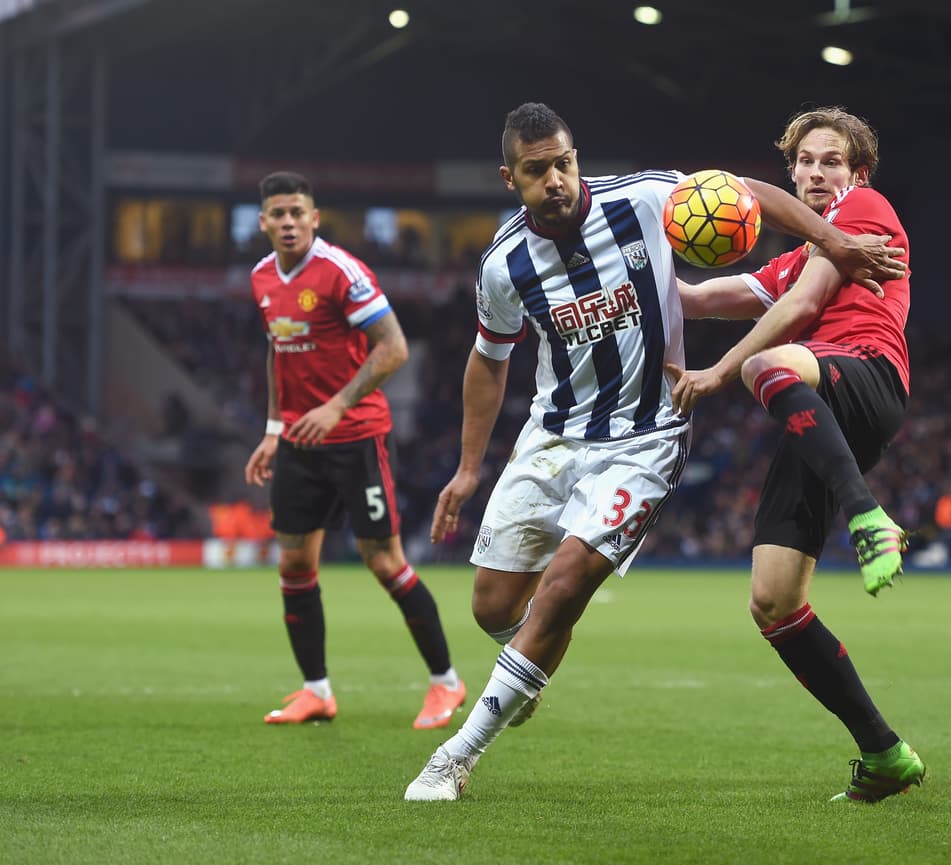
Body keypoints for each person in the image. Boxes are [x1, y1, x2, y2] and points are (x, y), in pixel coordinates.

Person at [403, 102, 905, 801]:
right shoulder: (504, 263)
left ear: (577, 156)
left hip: (646, 436)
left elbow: (745, 192)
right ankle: (527, 661)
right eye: (536, 170)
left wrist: (835, 242)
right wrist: (466, 468)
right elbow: (488, 359)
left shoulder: (639, 198)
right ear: (509, 177)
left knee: (563, 588)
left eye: (564, 162)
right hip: (552, 435)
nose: (556, 179)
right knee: (494, 606)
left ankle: (455, 757)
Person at [669, 107, 925, 802]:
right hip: (820, 411)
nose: (816, 171)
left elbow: (805, 303)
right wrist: (630, 269)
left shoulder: (863, 209)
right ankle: (884, 753)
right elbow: (695, 298)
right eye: (805, 161)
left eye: (831, 160)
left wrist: (719, 372)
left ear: (856, 172)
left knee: (765, 366)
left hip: (867, 373)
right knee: (774, 601)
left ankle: (868, 517)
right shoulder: (790, 258)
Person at [244, 171, 465, 729]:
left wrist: (337, 405)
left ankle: (446, 683)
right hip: (297, 441)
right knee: (294, 563)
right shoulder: (262, 279)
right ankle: (316, 690)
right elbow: (278, 353)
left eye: (298, 212)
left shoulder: (342, 271)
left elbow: (393, 349)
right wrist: (274, 428)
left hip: (355, 437)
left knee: (384, 562)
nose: (288, 222)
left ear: (314, 218)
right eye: (278, 214)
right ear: (263, 222)